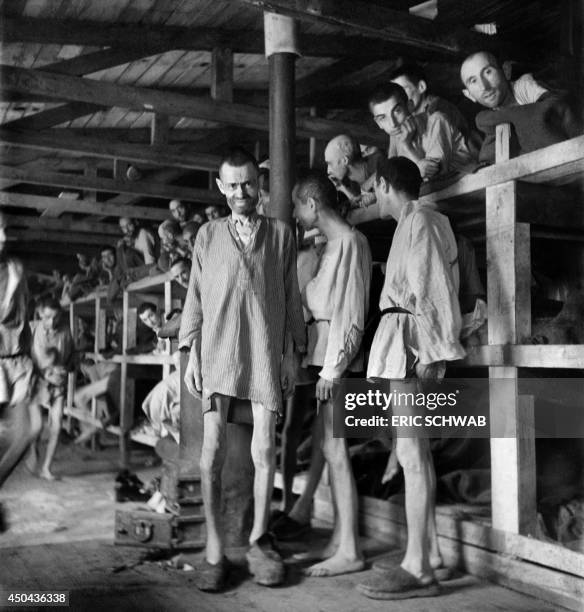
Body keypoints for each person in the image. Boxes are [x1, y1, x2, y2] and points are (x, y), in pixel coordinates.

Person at [179, 147, 306, 591]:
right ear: (220, 186)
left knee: (264, 450)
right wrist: (191, 351)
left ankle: (259, 540)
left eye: (248, 183)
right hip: (216, 351)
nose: (240, 192)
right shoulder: (208, 236)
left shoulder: (281, 234)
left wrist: (294, 351)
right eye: (231, 184)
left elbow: (291, 295)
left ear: (259, 184)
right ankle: (214, 550)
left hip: (266, 351)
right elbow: (194, 296)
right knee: (211, 450)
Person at [356, 157, 465, 601]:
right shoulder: (410, 222)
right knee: (412, 451)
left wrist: (433, 350)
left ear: (384, 182)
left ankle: (418, 568)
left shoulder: (423, 221)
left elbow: (435, 286)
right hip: (400, 342)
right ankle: (432, 553)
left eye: (372, 188)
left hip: (410, 345)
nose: (370, 196)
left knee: (413, 455)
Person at [288, 170, 372, 577]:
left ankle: (351, 550)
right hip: (323, 359)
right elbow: (319, 301)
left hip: (334, 364)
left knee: (336, 451)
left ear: (312, 205)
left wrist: (334, 369)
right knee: (328, 448)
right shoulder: (331, 247)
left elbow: (352, 314)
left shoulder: (352, 244)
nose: (295, 214)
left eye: (296, 206)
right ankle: (341, 538)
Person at [460, 51, 581, 161]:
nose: (484, 86)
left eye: (488, 72)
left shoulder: (524, 85)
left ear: (506, 71)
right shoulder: (491, 120)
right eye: (473, 81)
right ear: (469, 95)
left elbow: (553, 108)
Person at [369, 84, 476, 180]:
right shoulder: (396, 135)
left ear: (410, 106)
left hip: (471, 188)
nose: (393, 124)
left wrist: (407, 146)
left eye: (397, 111)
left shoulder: (437, 120)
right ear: (378, 123)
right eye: (383, 118)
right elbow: (393, 180)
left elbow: (434, 177)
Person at [0, 211, 36, 492]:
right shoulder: (12, 275)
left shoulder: (12, 267)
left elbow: (25, 318)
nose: (3, 237)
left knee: (29, 430)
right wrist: (12, 286)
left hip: (20, 360)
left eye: (4, 229)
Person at [28, 296, 75, 481]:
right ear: (40, 315)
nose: (52, 321)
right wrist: (42, 372)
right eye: (47, 317)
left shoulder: (65, 331)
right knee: (36, 426)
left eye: (55, 317)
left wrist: (67, 367)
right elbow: (23, 359)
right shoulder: (32, 329)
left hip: (58, 384)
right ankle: (33, 455)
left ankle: (46, 468)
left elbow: (71, 355)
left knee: (56, 426)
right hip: (37, 383)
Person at [390, 62, 481, 153]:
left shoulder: (440, 111)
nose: (398, 99)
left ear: (421, 87)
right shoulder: (403, 117)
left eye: (402, 90)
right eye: (394, 94)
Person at [324, 135, 382, 208]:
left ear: (345, 160)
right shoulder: (350, 182)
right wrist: (342, 187)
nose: (328, 171)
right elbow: (359, 202)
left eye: (330, 164)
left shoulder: (378, 161)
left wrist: (367, 187)